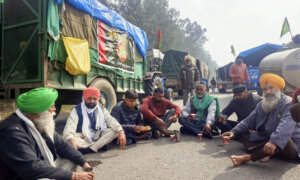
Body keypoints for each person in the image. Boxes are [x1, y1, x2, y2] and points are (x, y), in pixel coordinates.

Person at [0, 87, 94, 180]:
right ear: (38, 110)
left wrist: (84, 163)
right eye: (51, 106)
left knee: (72, 160)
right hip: (20, 175)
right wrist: (74, 176)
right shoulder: (12, 133)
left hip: (39, 164)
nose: (54, 109)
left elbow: (62, 145)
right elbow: (32, 168)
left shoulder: (36, 120)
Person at [222, 73, 300, 166]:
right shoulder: (261, 104)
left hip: (289, 146)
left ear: (279, 88)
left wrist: (273, 142)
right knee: (242, 133)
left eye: (271, 88)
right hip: (267, 139)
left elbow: (285, 127)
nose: (268, 91)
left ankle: (248, 157)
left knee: (283, 138)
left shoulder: (287, 103)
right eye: (265, 89)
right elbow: (248, 121)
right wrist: (234, 132)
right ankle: (267, 152)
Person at [63, 87, 126, 154]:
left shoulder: (101, 108)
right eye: (89, 98)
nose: (92, 101)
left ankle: (91, 148)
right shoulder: (76, 110)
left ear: (98, 99)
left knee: (116, 130)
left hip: (97, 134)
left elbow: (110, 120)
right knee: (67, 139)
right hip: (82, 136)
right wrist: (71, 140)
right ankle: (98, 146)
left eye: (94, 99)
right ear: (85, 98)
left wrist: (121, 131)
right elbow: (69, 126)